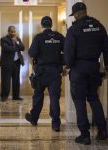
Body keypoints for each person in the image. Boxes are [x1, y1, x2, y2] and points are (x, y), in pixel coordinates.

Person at [64, 2, 108, 145]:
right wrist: (106, 67)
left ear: (76, 14)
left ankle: (85, 135)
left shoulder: (74, 29)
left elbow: (69, 52)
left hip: (78, 68)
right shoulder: (99, 26)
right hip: (94, 67)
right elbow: (107, 49)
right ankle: (102, 131)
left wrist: (68, 66)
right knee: (94, 98)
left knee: (79, 101)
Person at [25, 16, 65, 132]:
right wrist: (63, 64)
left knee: (38, 96)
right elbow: (67, 51)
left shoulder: (39, 37)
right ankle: (56, 124)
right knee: (54, 98)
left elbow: (32, 52)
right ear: (51, 25)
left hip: (41, 72)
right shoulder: (59, 37)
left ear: (42, 25)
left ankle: (34, 118)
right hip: (55, 72)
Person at [0, 25, 25, 101]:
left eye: (14, 32)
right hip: (6, 63)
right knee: (6, 81)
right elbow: (6, 48)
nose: (13, 33)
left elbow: (22, 48)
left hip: (17, 63)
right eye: (11, 32)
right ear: (8, 32)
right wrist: (17, 47)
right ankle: (4, 96)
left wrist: (16, 42)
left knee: (16, 80)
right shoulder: (3, 39)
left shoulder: (18, 39)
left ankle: (16, 96)